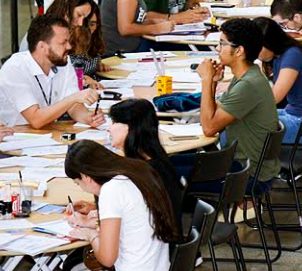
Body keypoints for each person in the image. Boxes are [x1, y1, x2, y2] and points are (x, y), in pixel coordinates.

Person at [63, 140, 178, 271]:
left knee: (71, 265)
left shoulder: (111, 190)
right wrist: (92, 218)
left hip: (135, 268)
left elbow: (107, 259)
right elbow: (132, 219)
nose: (82, 189)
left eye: (78, 183)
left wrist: (90, 234)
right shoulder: (137, 170)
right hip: (159, 266)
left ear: (86, 177)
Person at [198, 18, 282, 185]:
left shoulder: (248, 85)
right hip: (241, 165)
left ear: (239, 51)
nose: (217, 49)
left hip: (245, 173)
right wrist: (213, 82)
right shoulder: (246, 76)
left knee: (169, 172)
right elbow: (215, 115)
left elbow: (209, 128)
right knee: (170, 166)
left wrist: (206, 80)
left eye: (222, 44)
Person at [0, 15, 104, 128]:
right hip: (15, 134)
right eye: (63, 43)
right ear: (42, 46)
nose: (69, 47)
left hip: (47, 132)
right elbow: (36, 119)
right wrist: (73, 98)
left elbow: (73, 106)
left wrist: (87, 117)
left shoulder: (63, 62)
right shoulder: (15, 68)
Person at [106, 99, 184, 230]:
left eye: (113, 122)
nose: (109, 129)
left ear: (129, 127)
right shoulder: (157, 163)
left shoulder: (141, 175)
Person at [252, 18, 302, 143]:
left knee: (246, 126)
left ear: (269, 42)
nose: (253, 53)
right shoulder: (284, 53)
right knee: (247, 119)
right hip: (299, 115)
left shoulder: (292, 56)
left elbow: (273, 98)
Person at [43, 0, 105, 77]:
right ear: (66, 6)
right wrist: (82, 79)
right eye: (79, 15)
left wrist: (96, 65)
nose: (80, 23)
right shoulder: (47, 35)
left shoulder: (83, 37)